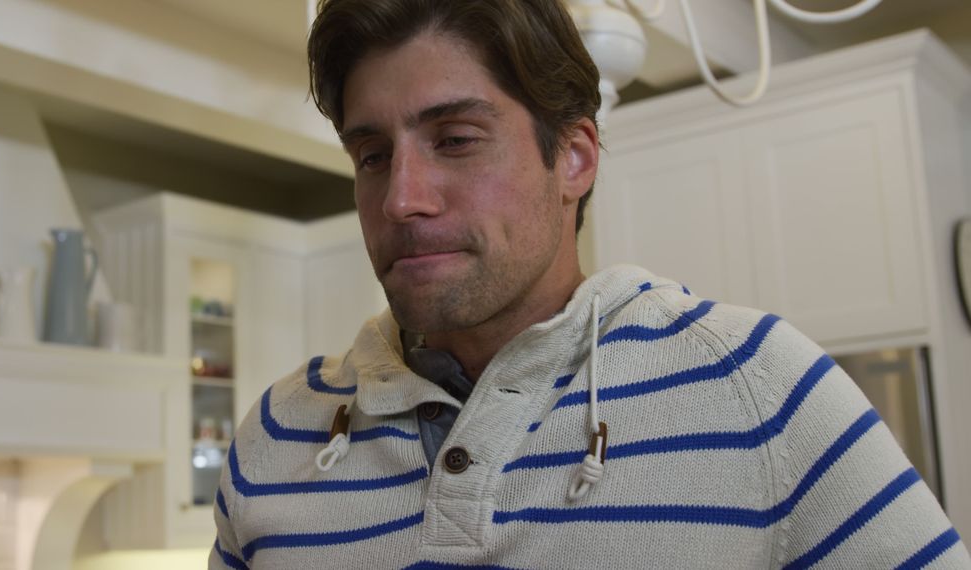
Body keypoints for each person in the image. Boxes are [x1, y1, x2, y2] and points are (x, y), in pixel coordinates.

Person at [211, 0, 970, 568]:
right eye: (372, 154)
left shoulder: (759, 387)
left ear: (573, 158)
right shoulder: (274, 437)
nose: (402, 197)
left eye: (456, 140)